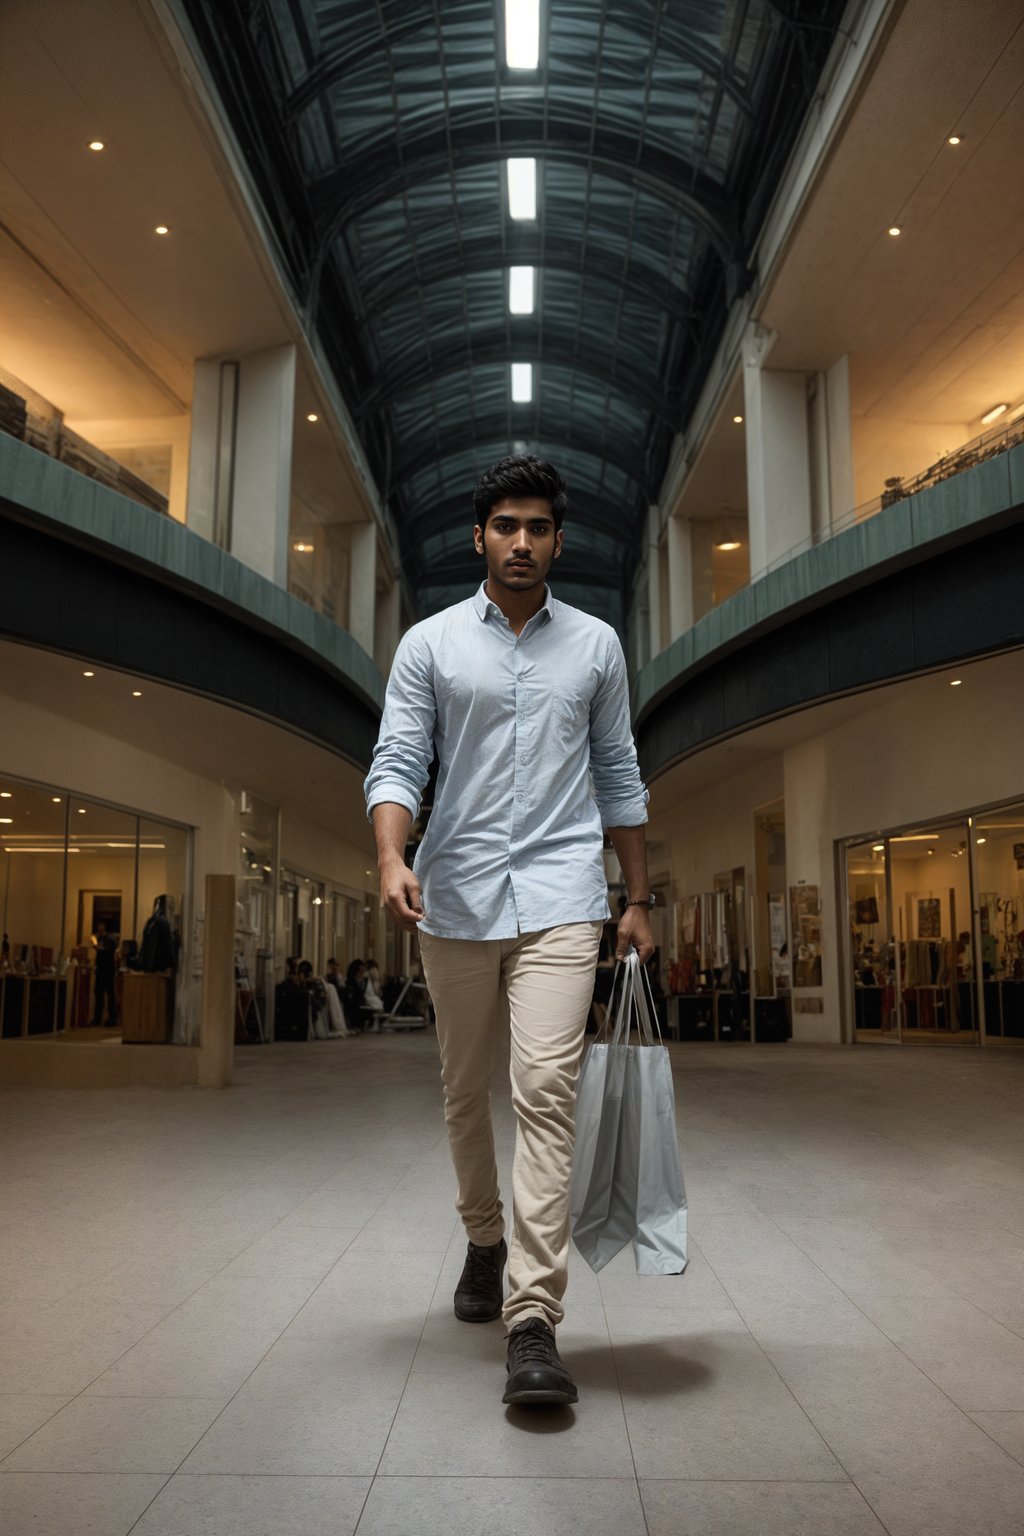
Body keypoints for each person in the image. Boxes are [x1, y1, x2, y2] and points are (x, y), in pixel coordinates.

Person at [365, 453, 653, 1408]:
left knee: (544, 1093)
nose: (521, 542)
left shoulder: (597, 647)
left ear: (558, 541)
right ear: (478, 537)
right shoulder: (432, 644)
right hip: (455, 895)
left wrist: (638, 897)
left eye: (538, 528)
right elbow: (399, 758)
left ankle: (534, 1319)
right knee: (462, 1091)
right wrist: (392, 858)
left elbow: (618, 774)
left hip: (566, 896)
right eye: (506, 527)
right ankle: (483, 1238)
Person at [90, 920, 118, 1028]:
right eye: (98, 926)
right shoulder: (98, 938)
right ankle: (97, 1019)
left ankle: (112, 1018)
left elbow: (111, 948)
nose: (99, 928)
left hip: (108, 970)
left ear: (104, 927)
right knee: (98, 995)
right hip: (100, 970)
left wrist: (102, 949)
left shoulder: (110, 938)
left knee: (110, 995)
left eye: (101, 926)